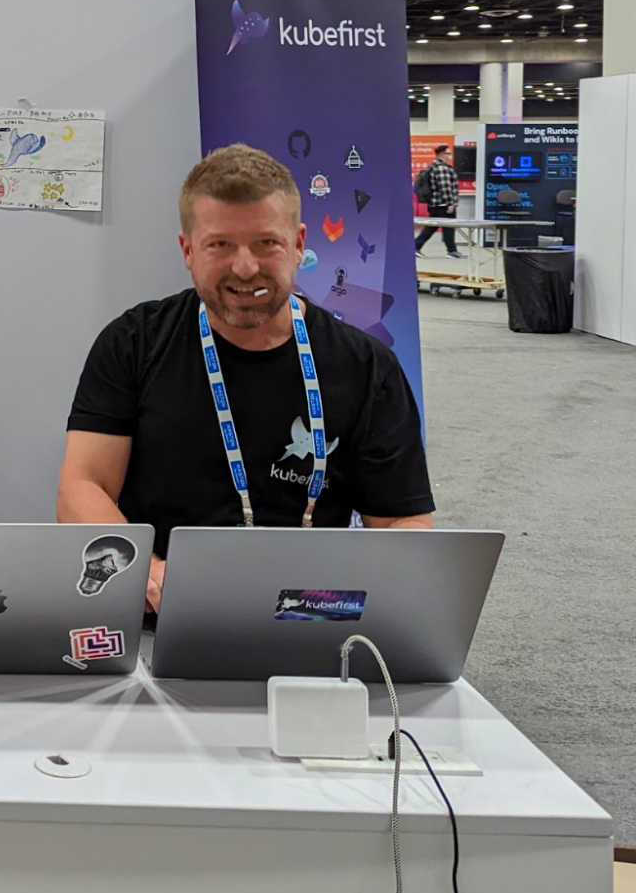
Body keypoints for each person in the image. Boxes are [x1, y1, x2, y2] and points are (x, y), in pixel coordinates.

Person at [56, 144, 435, 612]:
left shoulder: (365, 365)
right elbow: (81, 488)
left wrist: (369, 586)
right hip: (160, 611)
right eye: (220, 245)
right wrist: (148, 572)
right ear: (188, 250)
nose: (245, 267)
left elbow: (404, 521)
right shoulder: (133, 343)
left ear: (297, 245)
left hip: (310, 615)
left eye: (265, 243)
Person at [412, 144, 463, 257]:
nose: (450, 156)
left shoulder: (433, 167)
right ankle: (451, 250)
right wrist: (450, 204)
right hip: (442, 204)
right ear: (441, 154)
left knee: (432, 227)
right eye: (448, 154)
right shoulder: (442, 168)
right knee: (448, 227)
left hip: (435, 204)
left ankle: (415, 246)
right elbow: (445, 187)